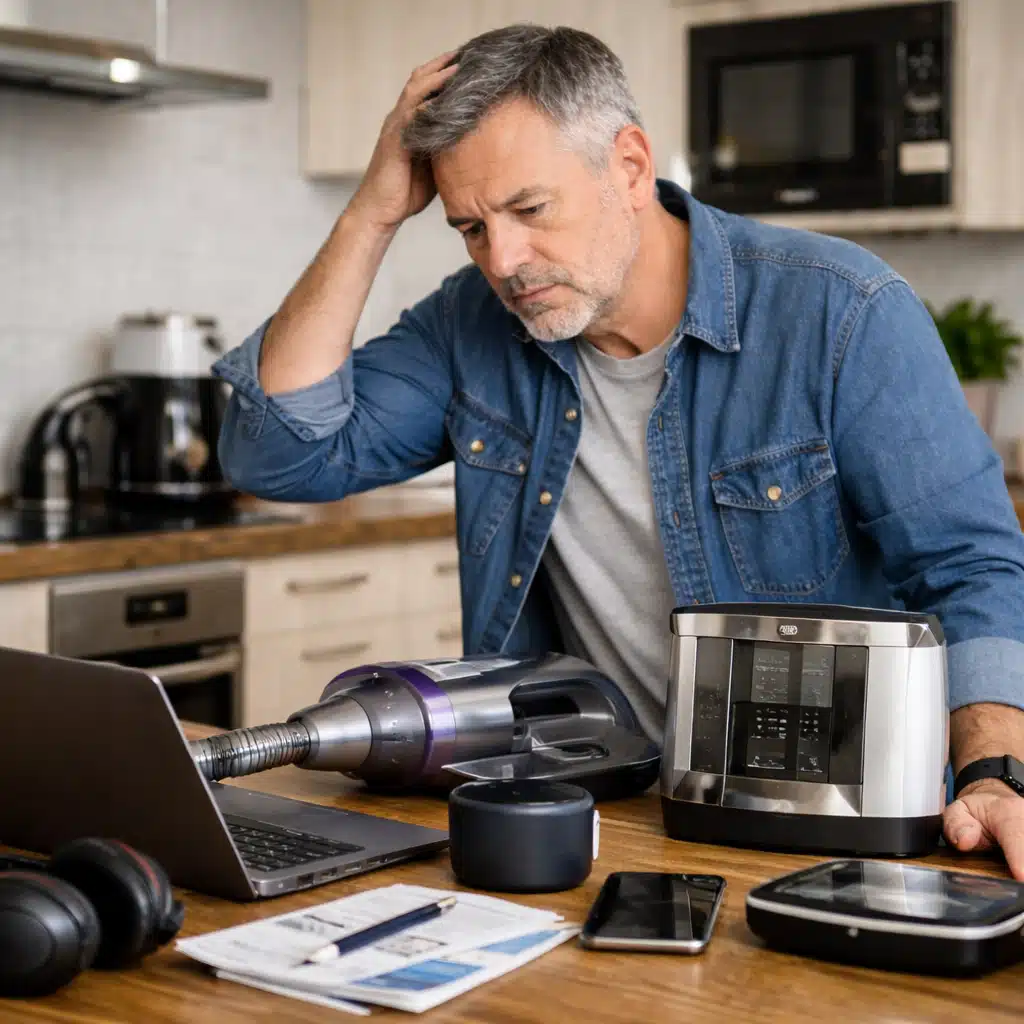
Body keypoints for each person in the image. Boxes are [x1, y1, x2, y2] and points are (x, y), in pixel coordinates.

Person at [213, 25, 1024, 877]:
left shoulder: (840, 311)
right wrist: (371, 211)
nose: (505, 260)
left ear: (630, 167)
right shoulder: (470, 325)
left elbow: (970, 569)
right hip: (598, 817)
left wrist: (995, 775)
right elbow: (277, 458)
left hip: (834, 826)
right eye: (470, 228)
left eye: (530, 210)